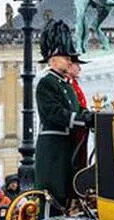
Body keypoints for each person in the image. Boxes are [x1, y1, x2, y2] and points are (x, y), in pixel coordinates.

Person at [35, 19, 90, 209]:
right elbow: (54, 113)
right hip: (54, 146)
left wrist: (89, 116)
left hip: (67, 145)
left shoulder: (66, 84)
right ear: (53, 60)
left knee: (66, 189)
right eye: (66, 57)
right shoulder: (47, 82)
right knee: (53, 191)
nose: (69, 60)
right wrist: (82, 120)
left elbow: (77, 109)